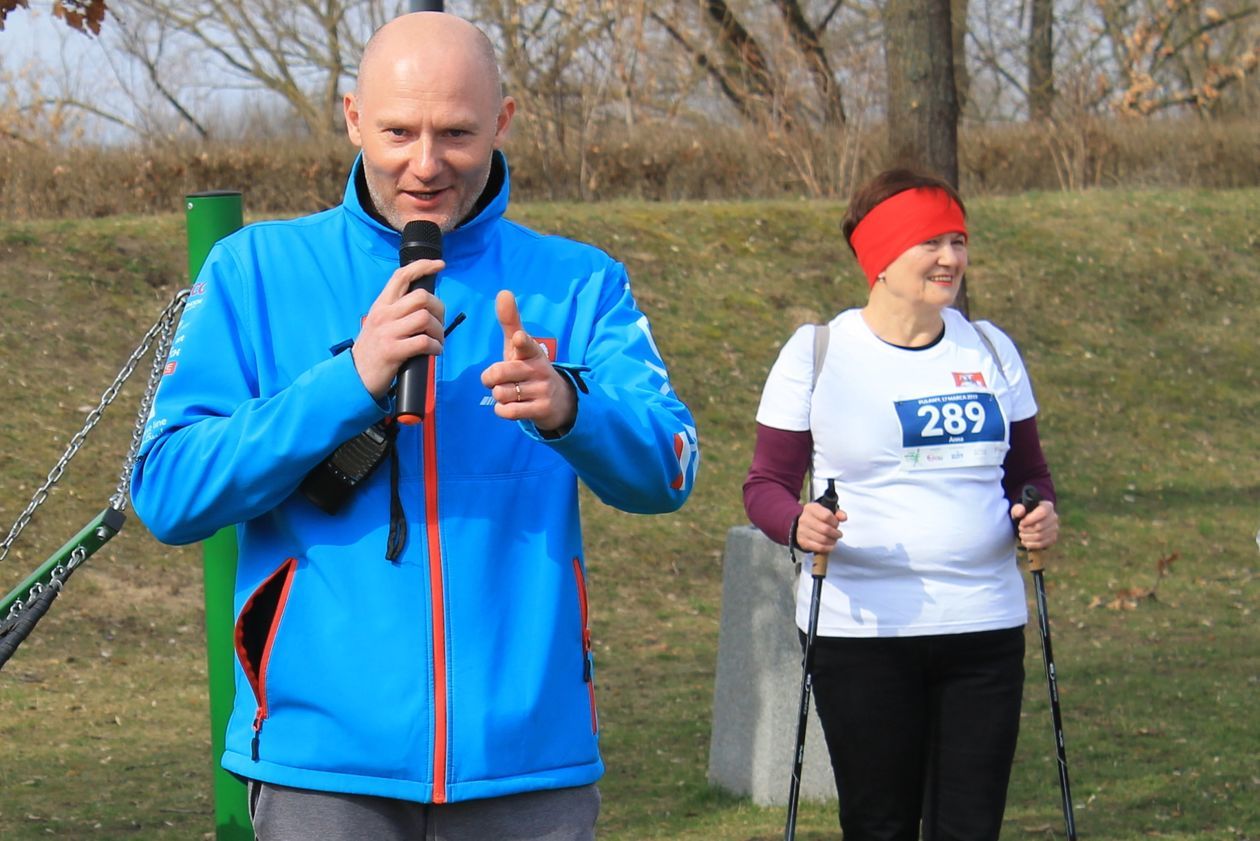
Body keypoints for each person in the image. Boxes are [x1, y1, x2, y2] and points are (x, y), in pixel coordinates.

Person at [130, 12, 698, 841]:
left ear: (503, 122)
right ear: (353, 117)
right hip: (323, 768)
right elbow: (168, 490)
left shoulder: (579, 282)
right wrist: (347, 382)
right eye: (399, 131)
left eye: (457, 133)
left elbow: (672, 467)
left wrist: (571, 409)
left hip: (527, 763)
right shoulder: (256, 270)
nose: (426, 164)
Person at [743, 168, 1059, 840]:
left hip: (983, 624)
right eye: (930, 242)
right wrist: (799, 522)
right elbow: (765, 486)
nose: (951, 258)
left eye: (958, 241)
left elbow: (1028, 474)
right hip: (863, 633)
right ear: (881, 256)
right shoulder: (818, 353)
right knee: (880, 824)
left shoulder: (991, 348)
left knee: (969, 827)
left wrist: (1037, 513)